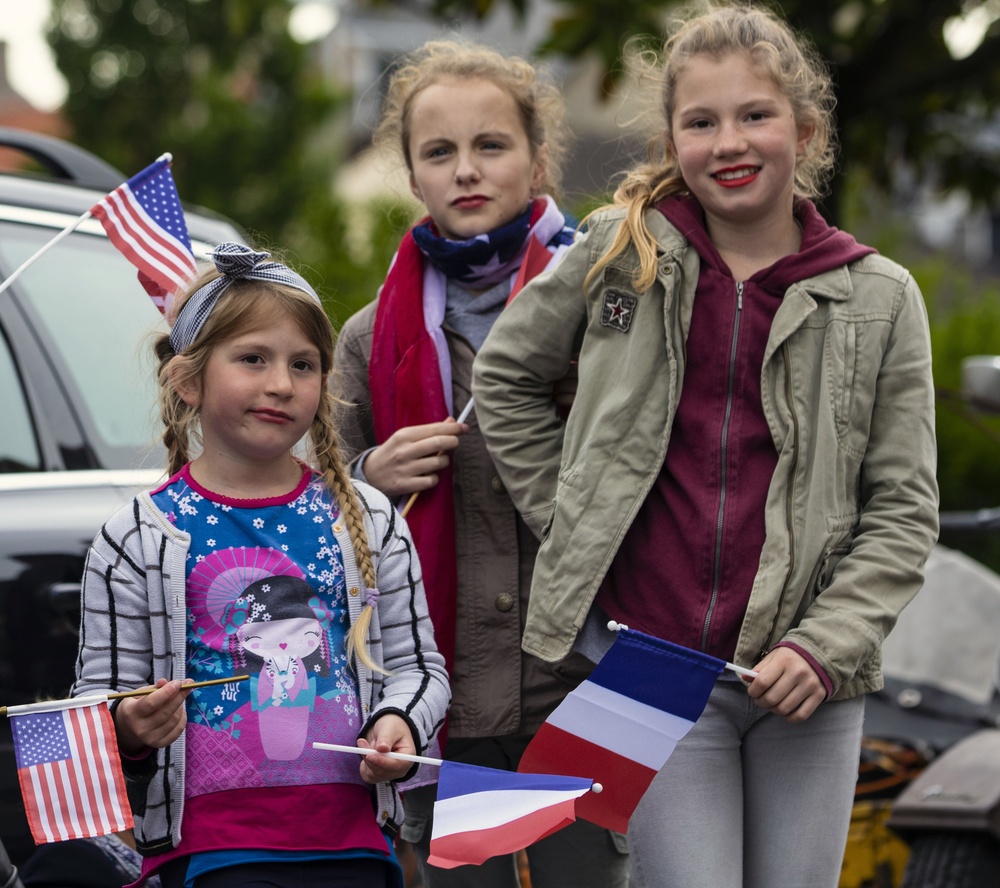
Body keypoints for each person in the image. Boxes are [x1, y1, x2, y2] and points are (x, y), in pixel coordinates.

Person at [472, 4, 939, 887]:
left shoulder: (882, 298)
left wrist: (824, 644)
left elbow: (905, 509)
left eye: (755, 115)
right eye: (701, 121)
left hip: (811, 687)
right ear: (671, 139)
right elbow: (505, 380)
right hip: (649, 666)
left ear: (804, 132)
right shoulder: (622, 251)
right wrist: (575, 522)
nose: (730, 141)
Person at [333, 39, 630, 888]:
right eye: (440, 152)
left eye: (491, 145)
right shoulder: (365, 338)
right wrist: (368, 481)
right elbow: (306, 512)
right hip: (443, 707)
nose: (467, 170)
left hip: (583, 691)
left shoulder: (611, 307)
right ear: (413, 176)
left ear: (539, 160)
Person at [73, 242, 450, 888]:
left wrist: (400, 723)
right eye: (253, 359)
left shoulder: (368, 517)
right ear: (188, 380)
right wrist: (132, 725)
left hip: (351, 849)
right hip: (214, 855)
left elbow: (420, 669)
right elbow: (97, 706)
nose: (281, 383)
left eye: (303, 365)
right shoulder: (137, 535)